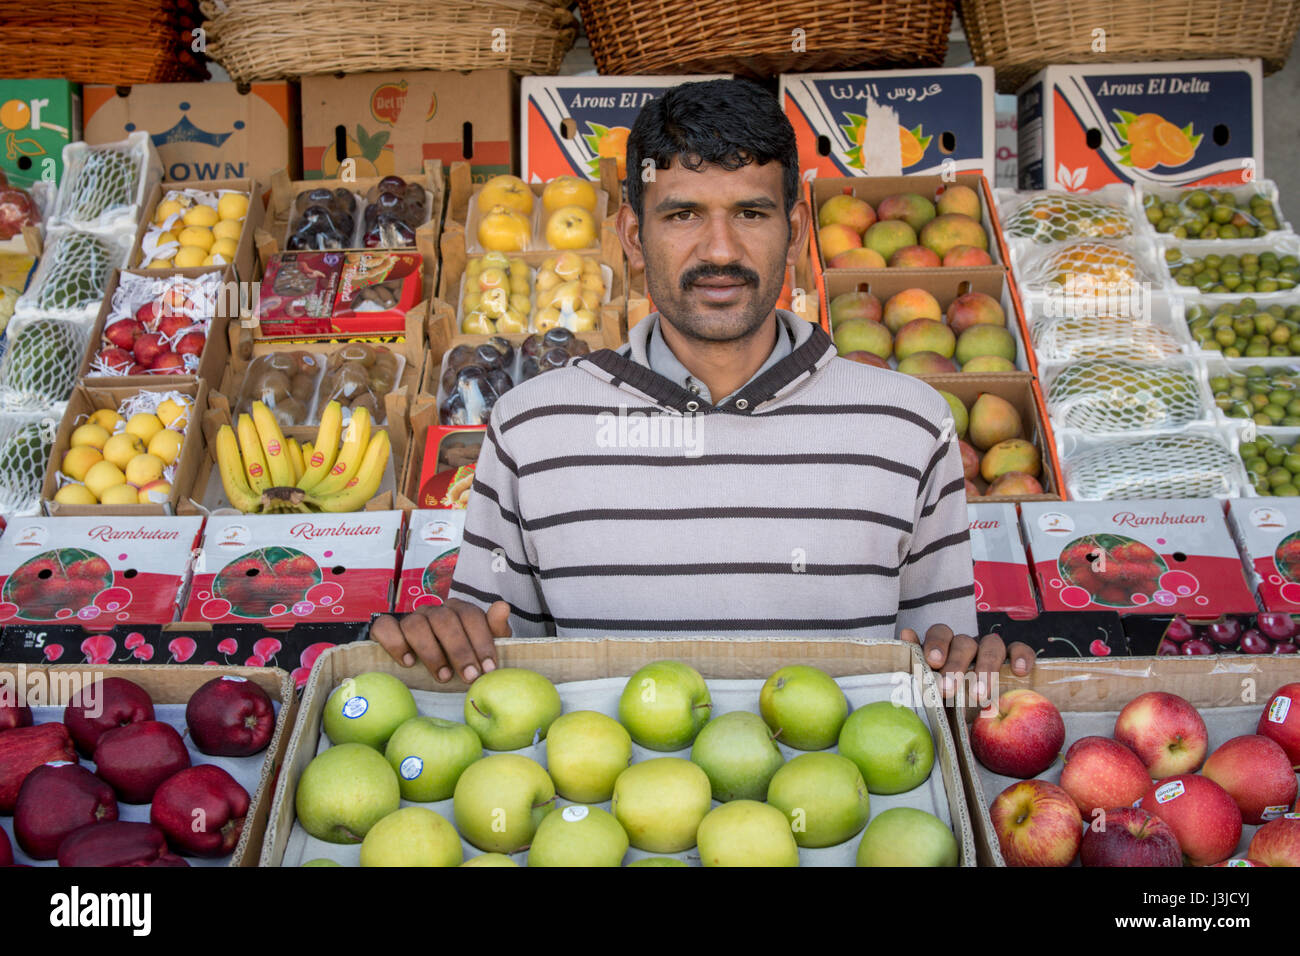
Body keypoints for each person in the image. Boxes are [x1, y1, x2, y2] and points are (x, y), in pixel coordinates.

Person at [372, 78, 1033, 691]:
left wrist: (972, 671)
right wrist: (443, 639)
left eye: (750, 213)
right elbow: (502, 669)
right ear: (633, 237)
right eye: (683, 215)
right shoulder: (530, 429)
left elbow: (935, 659)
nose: (719, 250)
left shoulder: (911, 426)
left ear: (796, 232)